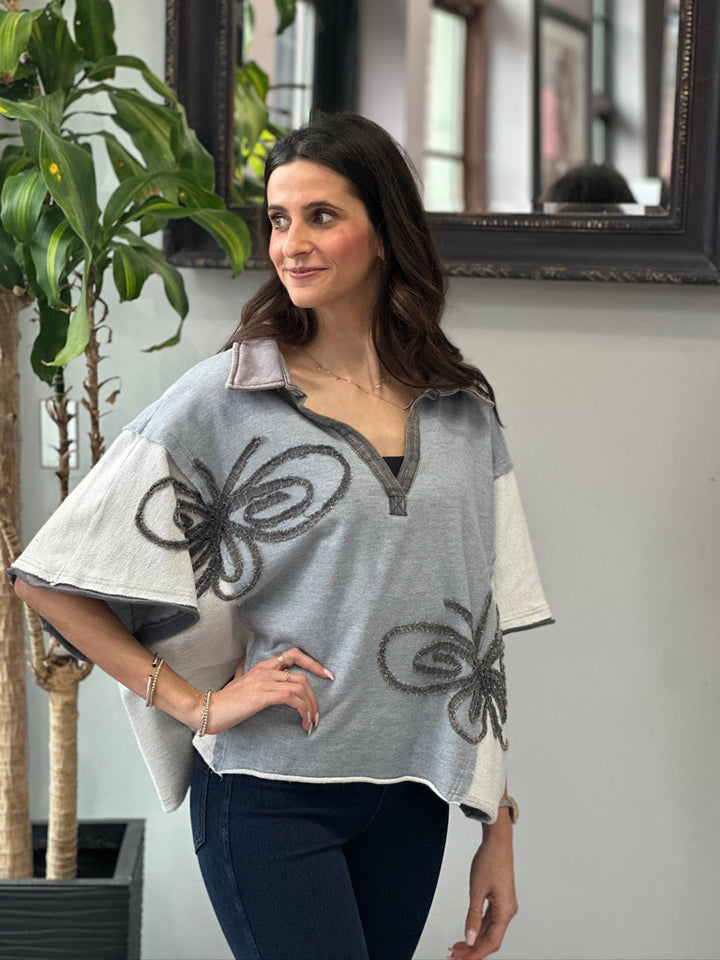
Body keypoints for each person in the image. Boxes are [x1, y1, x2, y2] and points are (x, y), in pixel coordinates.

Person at [10, 113, 553, 960]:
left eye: (321, 217)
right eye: (278, 219)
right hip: (272, 794)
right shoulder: (227, 398)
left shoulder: (461, 410)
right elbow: (48, 576)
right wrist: (196, 704)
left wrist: (499, 821)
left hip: (412, 798)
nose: (290, 244)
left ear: (385, 233)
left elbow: (476, 628)